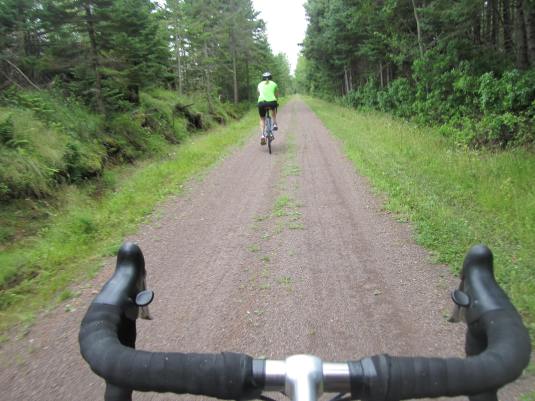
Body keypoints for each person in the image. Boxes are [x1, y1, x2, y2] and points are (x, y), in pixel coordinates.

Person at [257, 71, 279, 145]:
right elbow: (276, 95)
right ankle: (275, 123)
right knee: (273, 109)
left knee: (262, 118)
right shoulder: (274, 84)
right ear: (271, 78)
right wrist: (276, 100)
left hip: (261, 103)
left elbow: (258, 93)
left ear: (262, 78)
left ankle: (263, 135)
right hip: (272, 102)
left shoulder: (259, 84)